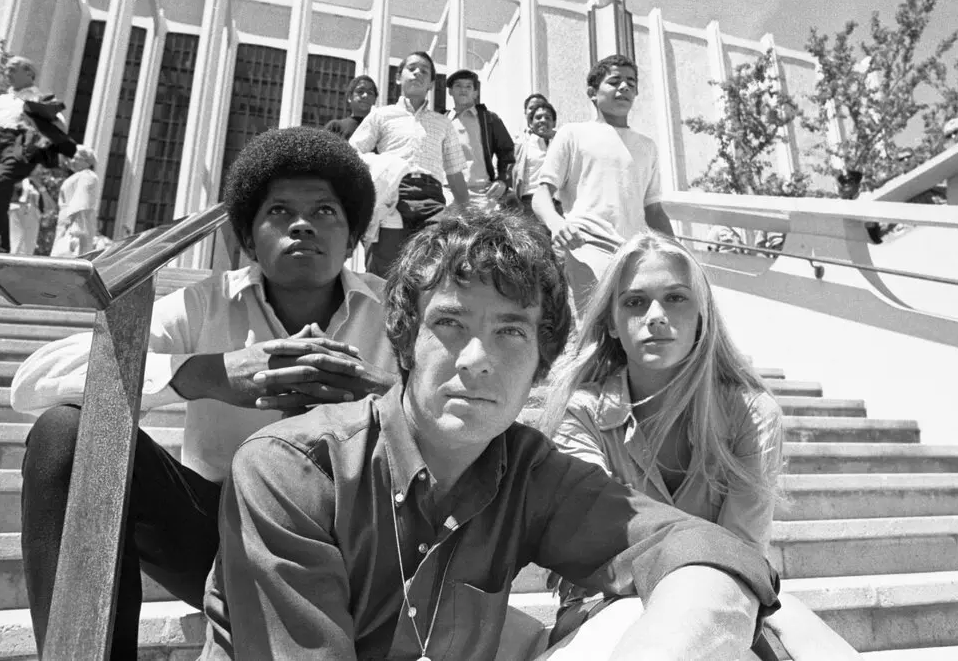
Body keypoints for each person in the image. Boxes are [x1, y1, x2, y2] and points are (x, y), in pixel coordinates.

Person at [200, 209, 781, 661]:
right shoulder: (290, 470)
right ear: (404, 340)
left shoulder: (529, 473)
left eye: (510, 331)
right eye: (451, 323)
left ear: (540, 363)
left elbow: (702, 551)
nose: (477, 360)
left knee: (651, 614)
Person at [11, 126, 398, 658]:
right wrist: (208, 373)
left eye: (325, 212)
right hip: (221, 543)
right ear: (247, 237)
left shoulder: (397, 312)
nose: (303, 225)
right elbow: (32, 382)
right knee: (65, 433)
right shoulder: (202, 303)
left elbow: (478, 409)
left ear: (354, 237)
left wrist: (384, 398)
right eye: (279, 212)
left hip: (367, 549)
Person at [539, 231, 784, 656]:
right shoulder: (580, 414)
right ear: (612, 323)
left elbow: (742, 552)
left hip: (722, 598)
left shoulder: (754, 414)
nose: (655, 315)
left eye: (675, 298)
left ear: (702, 316)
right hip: (606, 605)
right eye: (635, 302)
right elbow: (600, 548)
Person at [532, 54, 673, 317]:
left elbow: (654, 211)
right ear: (592, 93)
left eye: (631, 82)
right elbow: (541, 195)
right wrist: (557, 224)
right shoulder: (572, 134)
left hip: (635, 254)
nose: (625, 87)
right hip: (584, 247)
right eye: (615, 81)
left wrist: (677, 254)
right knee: (592, 332)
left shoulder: (647, 147)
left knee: (628, 333)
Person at [350, 51, 470, 278]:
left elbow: (455, 174)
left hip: (432, 199)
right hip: (391, 196)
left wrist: (465, 212)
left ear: (432, 84)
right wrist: (382, 165)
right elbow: (352, 152)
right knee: (385, 273)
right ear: (398, 77)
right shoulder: (381, 116)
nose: (418, 73)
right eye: (412, 68)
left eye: (425, 71)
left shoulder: (443, 123)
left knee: (436, 268)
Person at [0, 56, 75, 252]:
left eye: (13, 69)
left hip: (19, 142)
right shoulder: (1, 100)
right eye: (6, 70)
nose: (7, 73)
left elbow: (60, 125)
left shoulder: (39, 98)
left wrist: (33, 123)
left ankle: (2, 245)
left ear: (29, 73)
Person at [445, 69, 515, 211]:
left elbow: (506, 152)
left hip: (482, 195)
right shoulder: (442, 120)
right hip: (448, 195)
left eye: (468, 86)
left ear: (476, 93)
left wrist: (503, 180)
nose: (463, 90)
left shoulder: (489, 119)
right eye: (458, 86)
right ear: (450, 91)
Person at [49, 145, 101, 257]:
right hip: (67, 222)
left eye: (76, 158)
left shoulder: (88, 176)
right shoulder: (79, 176)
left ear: (87, 162)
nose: (72, 161)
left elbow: (81, 203)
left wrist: (74, 229)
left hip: (75, 226)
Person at [511, 101, 557, 216]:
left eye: (548, 117)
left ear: (554, 122)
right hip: (529, 203)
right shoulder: (522, 145)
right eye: (538, 117)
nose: (543, 120)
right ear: (531, 123)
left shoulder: (561, 144)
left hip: (556, 203)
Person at [324, 75, 378, 141]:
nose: (365, 95)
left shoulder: (379, 130)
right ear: (349, 97)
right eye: (360, 91)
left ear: (375, 100)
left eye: (370, 93)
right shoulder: (335, 127)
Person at [7, 177, 46, 255]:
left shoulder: (35, 183)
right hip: (17, 211)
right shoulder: (15, 179)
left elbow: (44, 203)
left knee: (29, 243)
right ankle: (14, 263)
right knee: (17, 241)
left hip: (33, 213)